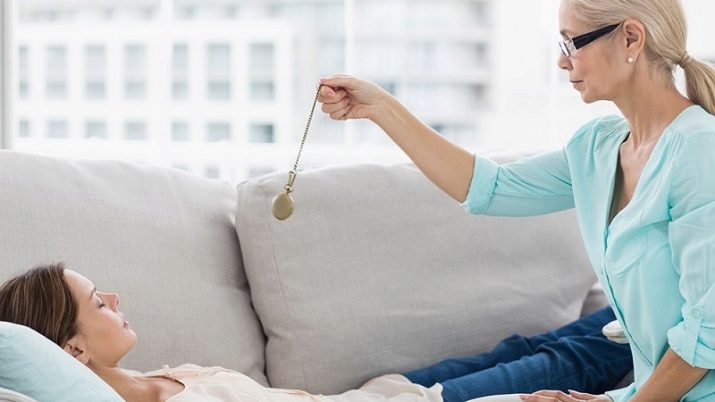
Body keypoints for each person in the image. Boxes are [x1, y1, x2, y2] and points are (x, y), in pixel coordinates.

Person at [316, 0, 715, 401]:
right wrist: (381, 108)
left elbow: (708, 328)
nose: (562, 62)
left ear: (630, 38)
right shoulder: (598, 146)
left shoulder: (699, 148)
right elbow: (488, 187)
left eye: (571, 43)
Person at [0, 263, 631, 402]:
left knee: (529, 349)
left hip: (384, 392)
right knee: (568, 363)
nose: (114, 298)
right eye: (96, 301)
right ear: (72, 349)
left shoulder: (151, 379)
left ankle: (659, 308)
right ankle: (678, 319)